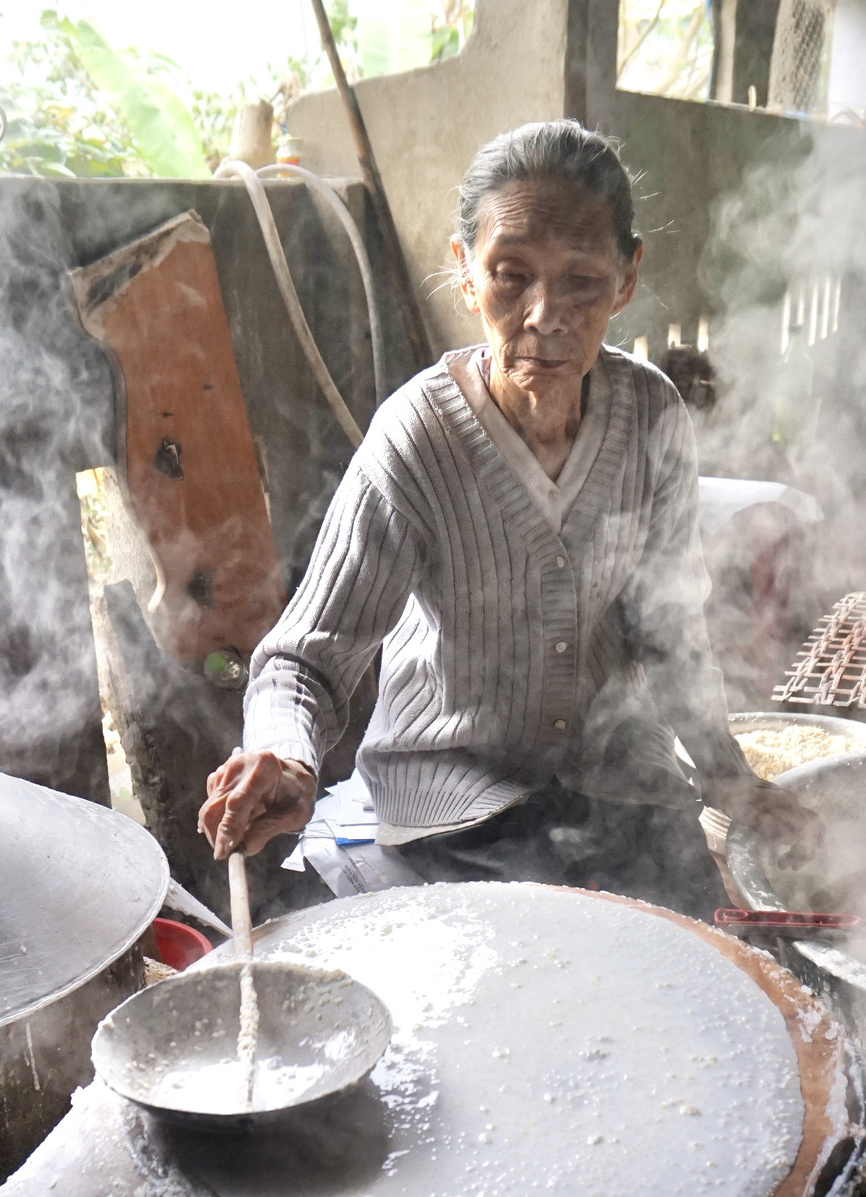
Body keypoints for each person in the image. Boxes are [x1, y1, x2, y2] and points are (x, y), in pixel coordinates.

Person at [197, 119, 816, 917]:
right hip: (455, 799)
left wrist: (734, 784)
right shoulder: (419, 437)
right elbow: (305, 660)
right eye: (511, 275)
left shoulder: (651, 417)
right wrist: (281, 755)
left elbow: (668, 637)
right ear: (465, 273)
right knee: (532, 979)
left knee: (704, 961)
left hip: (623, 790)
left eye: (582, 280)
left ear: (626, 280)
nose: (544, 313)